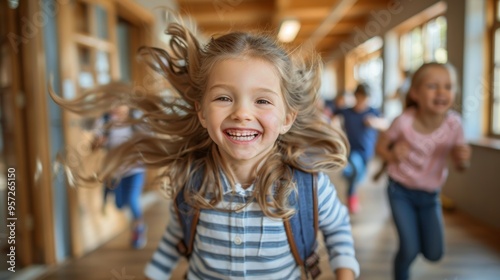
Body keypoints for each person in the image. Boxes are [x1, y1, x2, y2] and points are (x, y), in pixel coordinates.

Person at [49, 19, 359, 280]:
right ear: (201, 112)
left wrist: (345, 272)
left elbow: (338, 229)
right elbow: (176, 238)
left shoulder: (308, 185)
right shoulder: (190, 181)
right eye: (224, 98)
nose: (241, 113)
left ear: (288, 118)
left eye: (262, 100)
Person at [375, 62, 472, 280]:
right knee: (409, 249)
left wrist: (462, 159)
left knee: (434, 254)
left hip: (430, 196)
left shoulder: (454, 124)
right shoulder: (403, 122)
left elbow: (461, 164)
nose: (441, 92)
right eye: (433, 86)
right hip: (400, 191)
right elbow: (380, 147)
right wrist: (392, 155)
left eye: (448, 86)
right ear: (416, 93)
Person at [91, 105, 147, 249]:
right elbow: (94, 145)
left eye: (119, 102)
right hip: (116, 171)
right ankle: (109, 191)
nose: (115, 107)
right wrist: (98, 143)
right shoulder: (103, 120)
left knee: (132, 199)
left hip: (136, 168)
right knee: (120, 204)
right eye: (112, 103)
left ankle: (139, 229)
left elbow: (149, 137)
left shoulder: (136, 116)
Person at [333, 83, 387, 213]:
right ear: (356, 96)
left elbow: (385, 124)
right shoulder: (347, 112)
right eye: (361, 97)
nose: (363, 101)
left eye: (366, 98)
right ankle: (352, 198)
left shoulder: (372, 112)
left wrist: (374, 122)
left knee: (359, 175)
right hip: (352, 150)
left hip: (367, 152)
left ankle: (346, 173)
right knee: (356, 170)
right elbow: (332, 115)